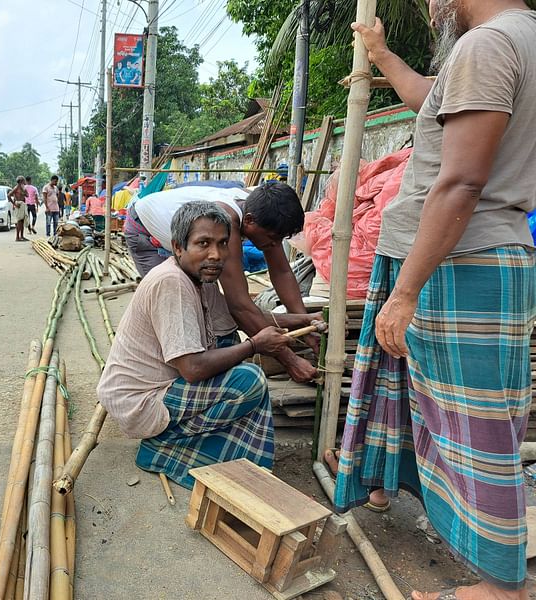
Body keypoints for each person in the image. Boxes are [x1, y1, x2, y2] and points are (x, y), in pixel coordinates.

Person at [333, 4, 536, 600]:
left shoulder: (488, 45)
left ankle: (502, 589)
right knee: (407, 395)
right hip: (454, 255)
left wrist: (405, 291)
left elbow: (462, 182)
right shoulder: (510, 40)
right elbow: (435, 102)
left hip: (456, 261)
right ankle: (385, 483)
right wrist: (381, 53)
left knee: (477, 431)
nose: (428, 4)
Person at [98, 201, 308, 488]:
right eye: (204, 243)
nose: (216, 255)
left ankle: (231, 461)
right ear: (178, 247)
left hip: (162, 388)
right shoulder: (171, 282)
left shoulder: (202, 278)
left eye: (223, 244)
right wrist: (255, 346)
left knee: (231, 347)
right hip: (141, 400)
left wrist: (302, 320)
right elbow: (192, 369)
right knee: (248, 380)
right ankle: (162, 448)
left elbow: (237, 321)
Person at [125, 182, 319, 382]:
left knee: (216, 317)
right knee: (180, 316)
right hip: (146, 233)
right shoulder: (229, 218)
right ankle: (166, 385)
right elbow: (240, 306)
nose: (275, 245)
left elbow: (282, 272)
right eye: (272, 239)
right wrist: (290, 361)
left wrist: (306, 325)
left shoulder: (263, 207)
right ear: (250, 221)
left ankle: (209, 372)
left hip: (190, 242)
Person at [8, 176, 28, 241]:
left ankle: (21, 236)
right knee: (19, 221)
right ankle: (17, 237)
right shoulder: (16, 188)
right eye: (23, 181)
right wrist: (14, 204)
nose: (25, 182)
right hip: (18, 205)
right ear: (21, 181)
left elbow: (27, 195)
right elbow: (9, 195)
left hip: (22, 204)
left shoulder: (23, 188)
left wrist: (23, 191)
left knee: (22, 221)